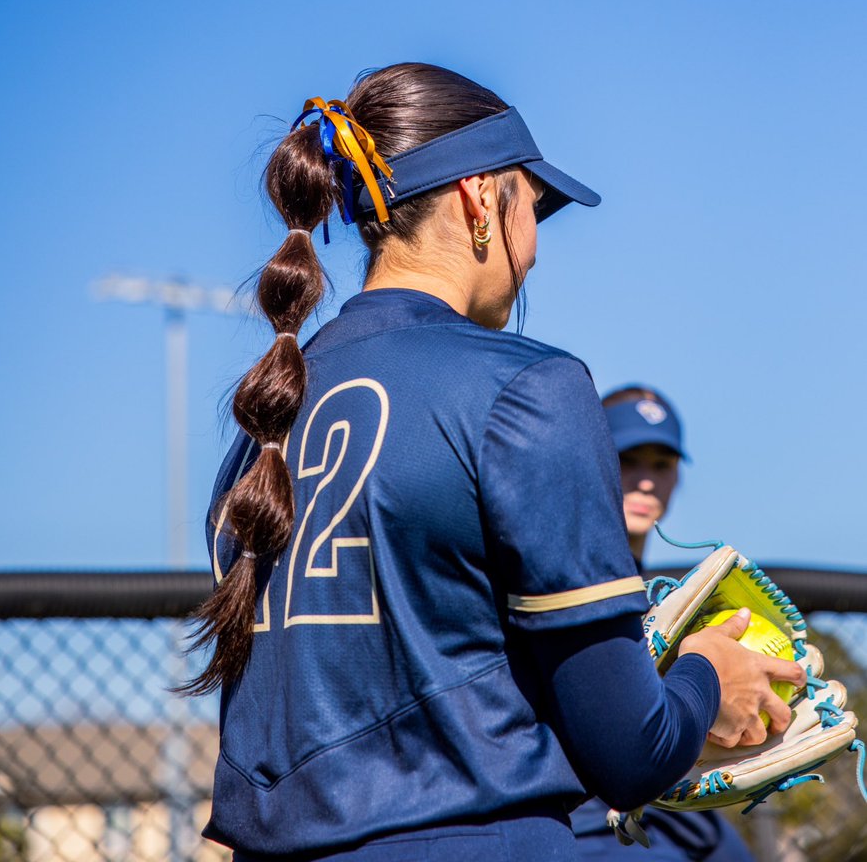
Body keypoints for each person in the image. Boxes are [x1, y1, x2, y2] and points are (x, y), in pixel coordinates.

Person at [188, 63, 803, 862]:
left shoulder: (265, 414)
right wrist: (707, 679)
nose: (536, 244)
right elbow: (631, 754)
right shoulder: (528, 387)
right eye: (534, 204)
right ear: (482, 199)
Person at [572, 386, 755, 861]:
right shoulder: (564, 577)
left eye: (661, 465)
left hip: (662, 807)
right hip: (581, 814)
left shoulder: (670, 598)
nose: (646, 481)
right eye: (628, 459)